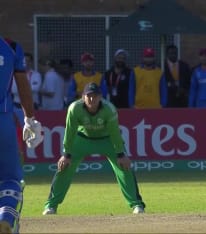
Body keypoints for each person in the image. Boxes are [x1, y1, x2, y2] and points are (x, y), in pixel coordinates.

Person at [42, 82, 146, 216]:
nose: (92, 99)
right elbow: (70, 132)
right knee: (64, 167)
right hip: (82, 139)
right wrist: (66, 154)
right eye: (89, 96)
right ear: (83, 97)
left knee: (124, 167)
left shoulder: (109, 109)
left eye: (95, 96)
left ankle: (137, 205)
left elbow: (115, 133)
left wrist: (121, 154)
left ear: (100, 97)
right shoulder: (75, 108)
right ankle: (51, 206)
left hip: (107, 140)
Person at [0, 37, 43, 233]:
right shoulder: (11, 47)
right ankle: (6, 219)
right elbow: (22, 84)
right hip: (3, 119)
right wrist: (30, 119)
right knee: (10, 179)